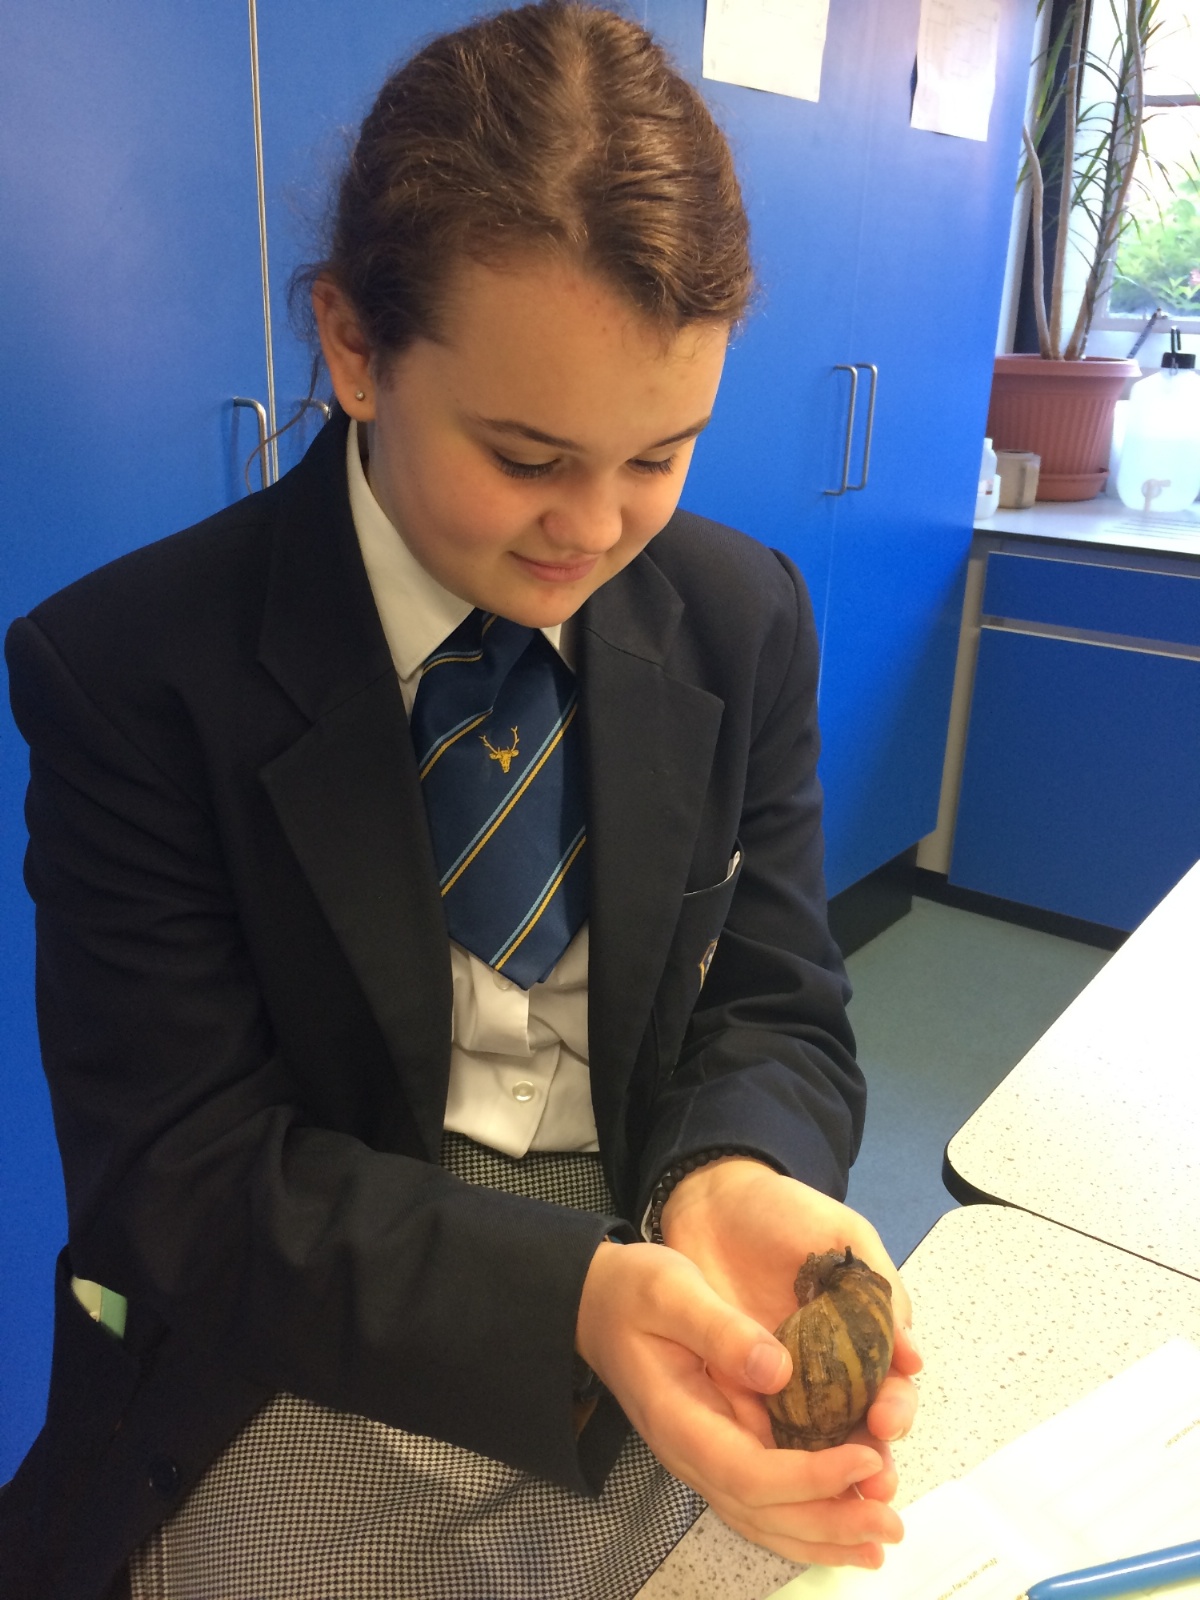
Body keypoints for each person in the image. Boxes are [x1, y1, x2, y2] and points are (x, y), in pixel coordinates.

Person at [1, 5, 920, 1598]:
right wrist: (568, 1301)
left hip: (657, 1286)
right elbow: (181, 1174)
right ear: (354, 347)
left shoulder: (740, 618)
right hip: (302, 1344)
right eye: (526, 456)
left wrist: (736, 1176)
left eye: (660, 456)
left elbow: (777, 1004)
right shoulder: (135, 672)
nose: (596, 529)